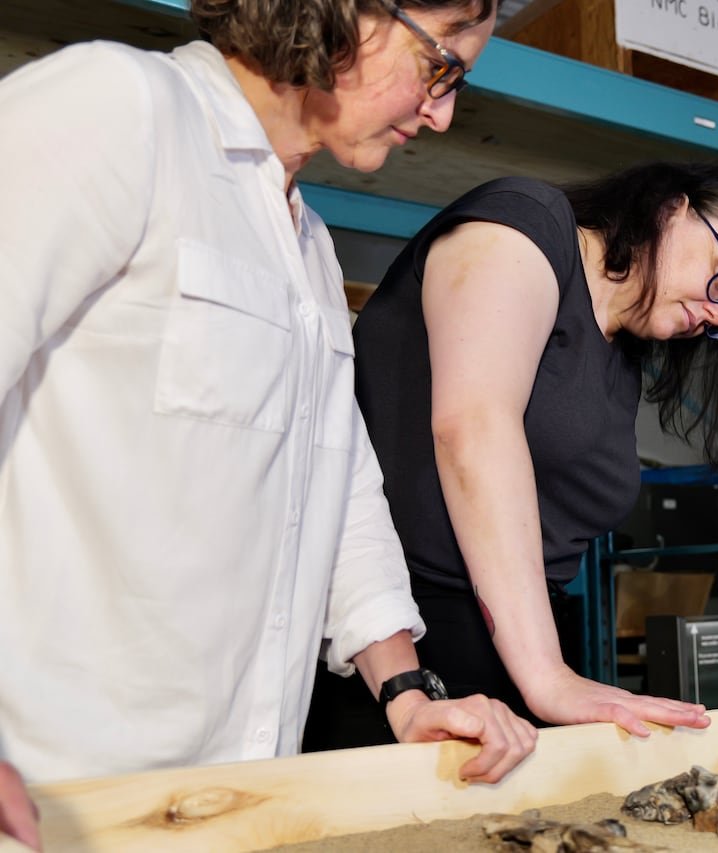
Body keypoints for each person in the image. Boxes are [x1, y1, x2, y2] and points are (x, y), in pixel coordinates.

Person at [0, 0, 537, 844]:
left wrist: (405, 692)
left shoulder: (307, 243)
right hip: (55, 794)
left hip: (238, 794)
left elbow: (339, 489)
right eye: (442, 66)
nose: (442, 111)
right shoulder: (121, 109)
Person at [303, 162, 718, 748]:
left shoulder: (621, 357)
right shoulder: (526, 223)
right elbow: (474, 426)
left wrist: (544, 672)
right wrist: (547, 676)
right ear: (671, 209)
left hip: (512, 650)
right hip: (396, 638)